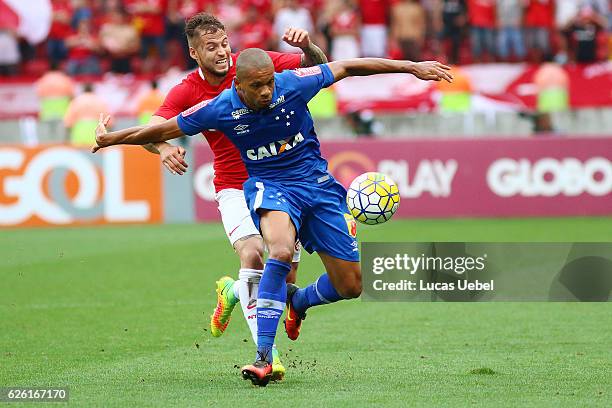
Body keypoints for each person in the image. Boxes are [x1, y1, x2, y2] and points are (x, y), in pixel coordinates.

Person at [91, 50, 452, 386]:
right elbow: (160, 130)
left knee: (350, 287)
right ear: (238, 85)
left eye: (269, 83)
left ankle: (299, 301)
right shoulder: (219, 108)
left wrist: (412, 67)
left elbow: (346, 67)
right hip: (271, 187)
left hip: (317, 185)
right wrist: (110, 140)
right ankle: (264, 356)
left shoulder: (293, 84)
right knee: (277, 252)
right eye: (257, 86)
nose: (266, 91)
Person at [140, 13, 328, 380]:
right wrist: (162, 148)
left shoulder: (254, 66)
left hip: (282, 184)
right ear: (194, 53)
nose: (223, 52)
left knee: (284, 278)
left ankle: (233, 291)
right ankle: (266, 356)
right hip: (233, 186)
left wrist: (307, 46)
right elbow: (151, 130)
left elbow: (320, 69)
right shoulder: (186, 90)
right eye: (211, 47)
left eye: (224, 43)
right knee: (253, 253)